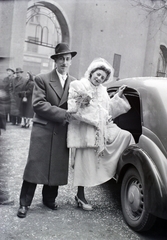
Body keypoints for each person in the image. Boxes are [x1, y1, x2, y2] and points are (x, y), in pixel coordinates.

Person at [17, 42, 77, 218]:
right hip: (43, 129)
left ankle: (49, 199)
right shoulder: (42, 79)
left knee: (56, 165)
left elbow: (77, 104)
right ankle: (24, 203)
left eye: (67, 59)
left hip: (61, 129)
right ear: (55, 61)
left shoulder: (75, 83)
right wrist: (65, 114)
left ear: (70, 61)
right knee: (35, 165)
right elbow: (38, 104)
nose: (64, 62)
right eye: (61, 59)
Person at [67, 58, 135, 210]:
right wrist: (92, 113)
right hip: (84, 130)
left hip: (100, 129)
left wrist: (117, 96)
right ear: (91, 72)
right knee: (84, 162)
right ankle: (80, 195)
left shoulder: (103, 91)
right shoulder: (79, 85)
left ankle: (120, 173)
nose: (99, 79)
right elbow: (73, 109)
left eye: (102, 78)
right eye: (97, 75)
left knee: (126, 136)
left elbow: (108, 110)